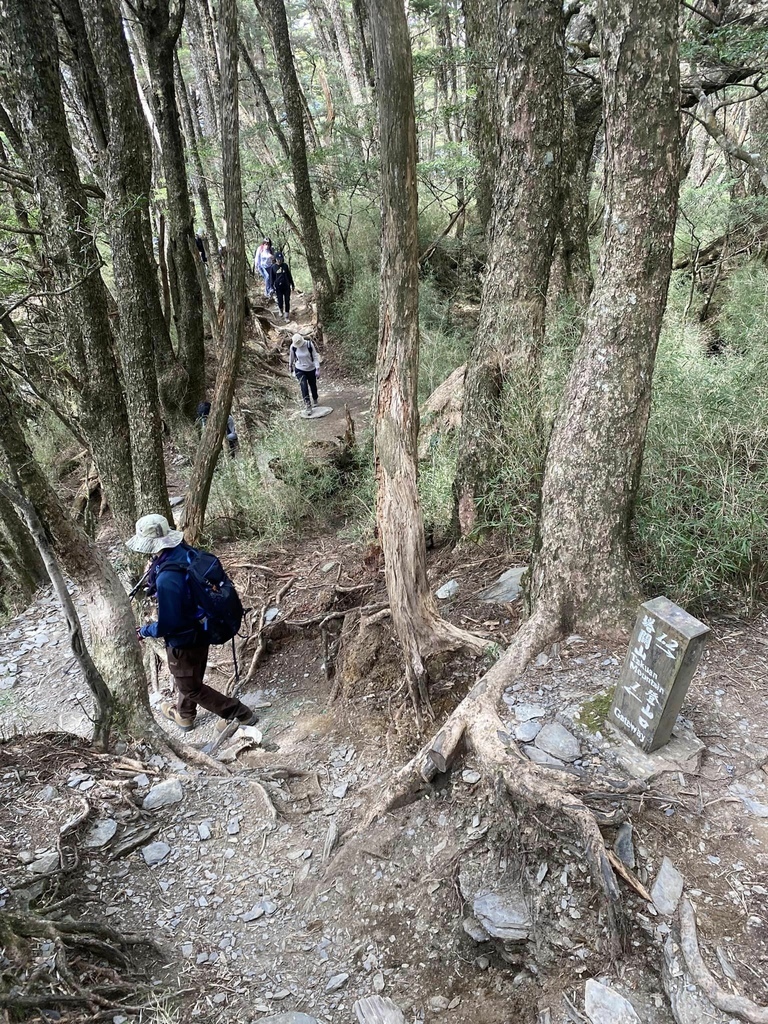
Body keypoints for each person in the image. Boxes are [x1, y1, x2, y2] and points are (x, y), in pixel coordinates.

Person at [127, 514, 259, 733]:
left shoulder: (167, 578)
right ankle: (185, 715)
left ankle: (239, 713)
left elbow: (169, 624)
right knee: (189, 676)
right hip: (203, 628)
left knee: (191, 687)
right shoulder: (187, 553)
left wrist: (144, 631)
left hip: (184, 639)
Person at [289, 333, 321, 413]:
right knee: (303, 386)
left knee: (313, 385)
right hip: (299, 369)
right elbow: (291, 357)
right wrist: (290, 366)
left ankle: (315, 398)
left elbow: (315, 356)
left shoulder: (309, 344)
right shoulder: (293, 347)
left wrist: (317, 368)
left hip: (311, 368)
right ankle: (308, 404)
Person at [267, 252, 295, 321]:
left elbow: (289, 275)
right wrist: (272, 287)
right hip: (278, 287)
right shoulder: (273, 267)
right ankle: (280, 309)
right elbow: (271, 278)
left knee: (287, 300)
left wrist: (292, 284)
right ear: (275, 259)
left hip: (286, 286)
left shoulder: (285, 266)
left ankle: (286, 316)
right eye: (278, 259)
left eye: (280, 259)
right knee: (280, 300)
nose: (279, 260)